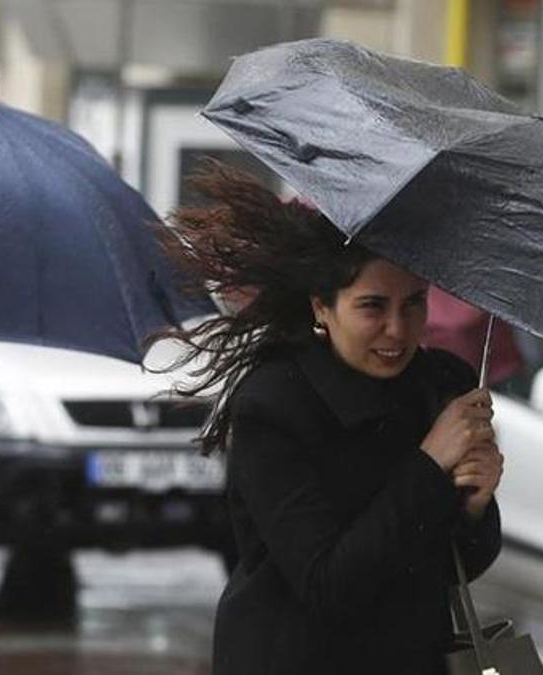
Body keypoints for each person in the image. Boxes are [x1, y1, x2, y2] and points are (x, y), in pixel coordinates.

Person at [154, 163, 504, 675]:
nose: (397, 329)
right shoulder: (274, 404)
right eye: (372, 306)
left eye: (414, 303)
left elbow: (452, 567)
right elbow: (328, 584)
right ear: (322, 307)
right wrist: (431, 463)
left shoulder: (441, 386)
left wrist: (475, 505)